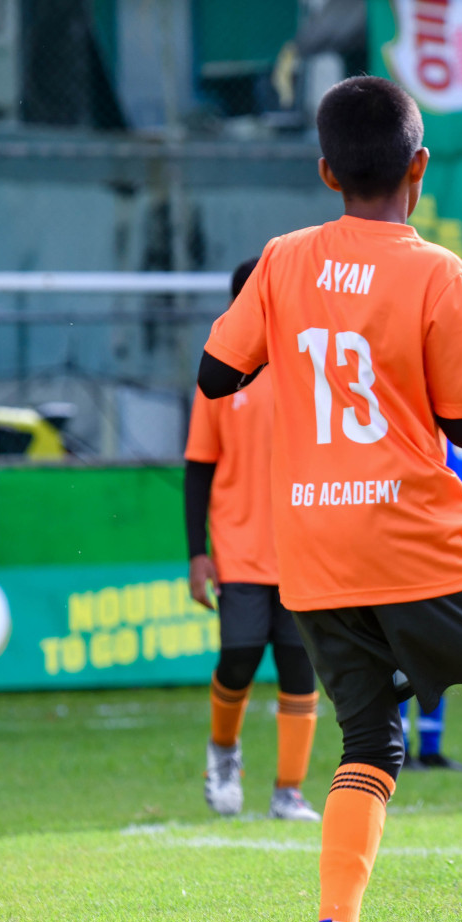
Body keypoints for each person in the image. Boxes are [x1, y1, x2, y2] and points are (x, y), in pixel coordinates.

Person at [197, 76, 462, 922]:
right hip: (417, 537)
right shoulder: (438, 271)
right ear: (419, 167)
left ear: (326, 169)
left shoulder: (283, 259)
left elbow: (217, 373)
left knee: (368, 743)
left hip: (316, 553)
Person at [185, 257, 320, 823]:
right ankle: (223, 753)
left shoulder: (309, 364)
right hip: (238, 549)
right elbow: (198, 468)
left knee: (299, 668)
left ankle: (288, 790)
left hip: (302, 551)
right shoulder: (218, 378)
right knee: (238, 658)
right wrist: (198, 553)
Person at [399, 438, 462, 773]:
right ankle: (398, 746)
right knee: (400, 652)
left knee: (439, 652)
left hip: (452, 564)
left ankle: (430, 747)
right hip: (406, 557)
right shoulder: (406, 422)